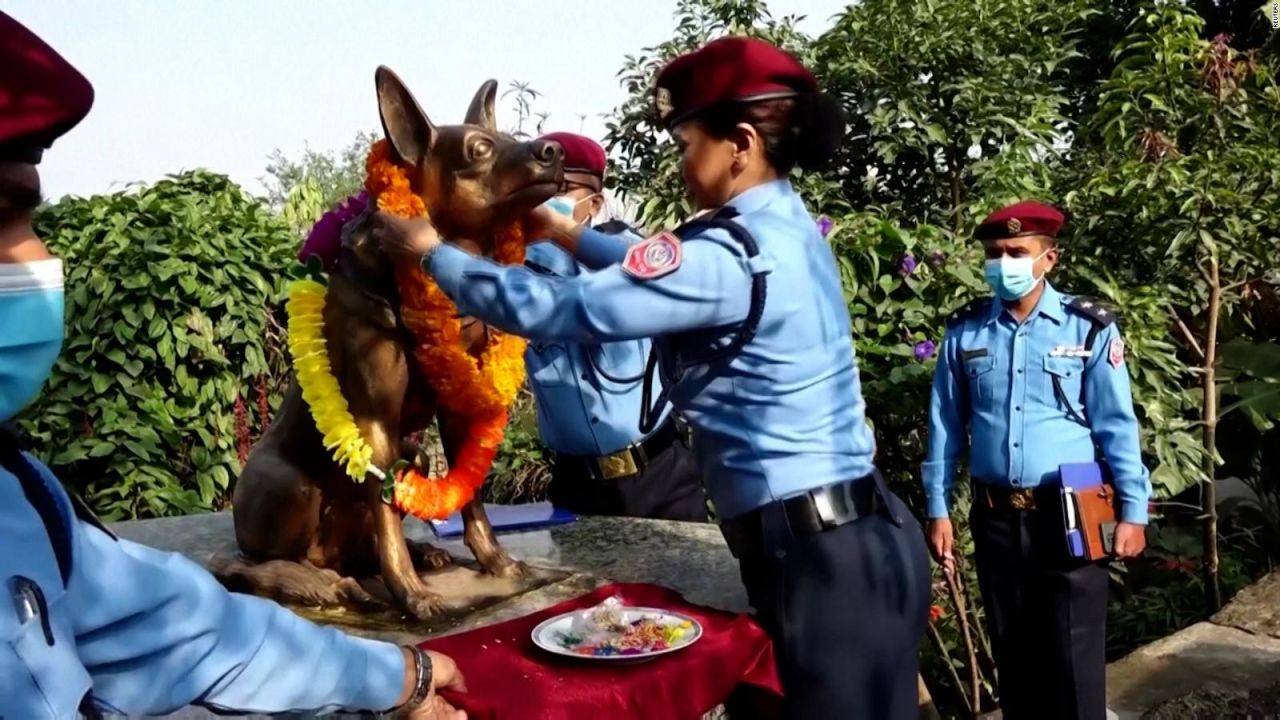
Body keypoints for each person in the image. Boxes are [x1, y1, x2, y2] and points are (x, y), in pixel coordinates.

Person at [371, 36, 932, 719]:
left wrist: (435, 257)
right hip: (864, 537)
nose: (681, 160)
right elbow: (655, 260)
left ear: (741, 144)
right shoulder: (778, 227)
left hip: (821, 562)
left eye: (687, 141)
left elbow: (561, 307)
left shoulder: (728, 253)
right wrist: (568, 235)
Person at [0, 12, 465, 719]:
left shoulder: (24, 498)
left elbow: (184, 628)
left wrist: (400, 679)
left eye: (27, 219)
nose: (35, 260)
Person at [921, 200, 1151, 720]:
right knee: (1014, 653)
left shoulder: (1087, 329)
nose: (1004, 263)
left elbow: (1116, 424)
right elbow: (945, 426)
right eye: (995, 253)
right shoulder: (966, 332)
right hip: (997, 516)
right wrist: (938, 508)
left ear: (1049, 259)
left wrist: (1134, 512)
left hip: (1071, 512)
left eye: (1017, 252)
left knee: (1074, 661)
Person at [526, 131, 708, 522]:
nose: (546, 200)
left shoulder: (631, 250)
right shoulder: (515, 268)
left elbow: (614, 273)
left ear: (594, 202)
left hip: (659, 475)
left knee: (682, 582)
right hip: (577, 484)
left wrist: (558, 237)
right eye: (539, 189)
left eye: (562, 189)